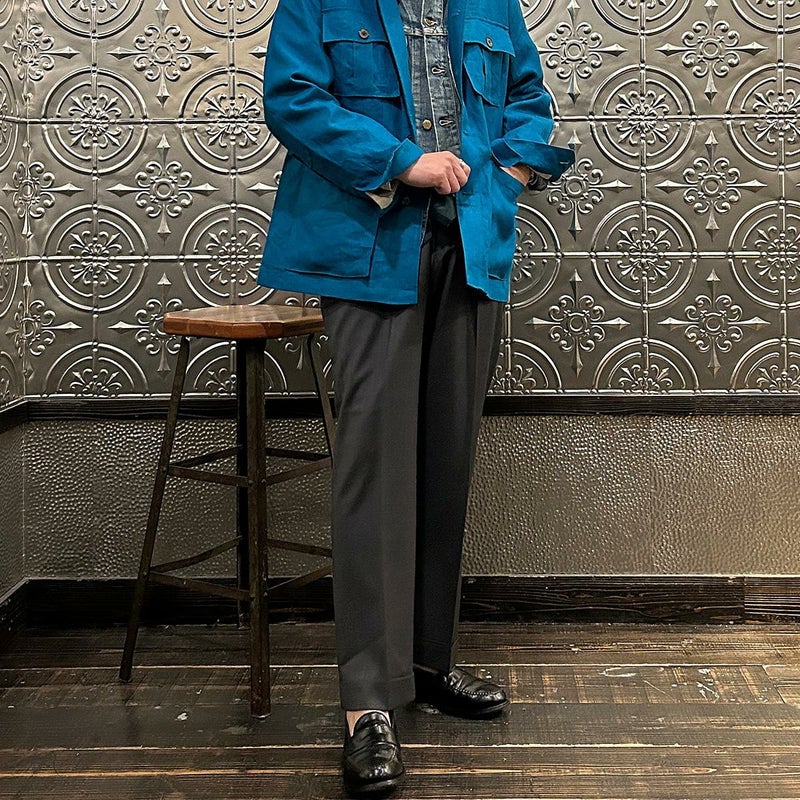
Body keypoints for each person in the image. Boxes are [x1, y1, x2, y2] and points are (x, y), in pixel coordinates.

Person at [258, 0, 573, 794]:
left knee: (445, 462)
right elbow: (293, 99)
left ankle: (428, 663)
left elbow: (528, 98)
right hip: (367, 251)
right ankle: (368, 702)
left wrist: (507, 176)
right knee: (376, 474)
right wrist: (402, 161)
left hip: (472, 248)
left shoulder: (492, 5)